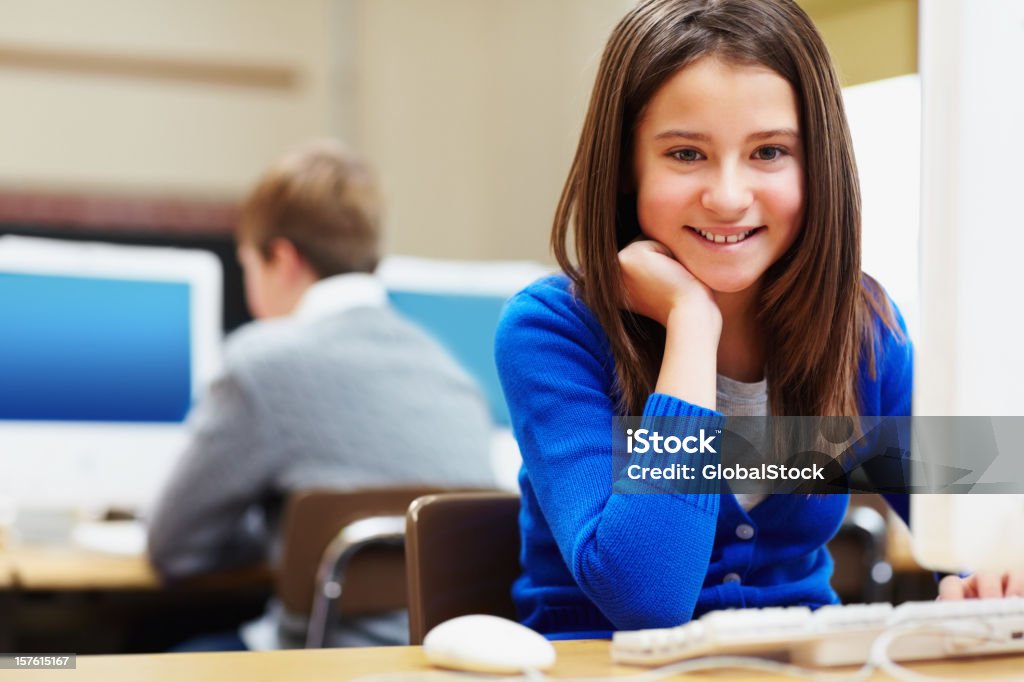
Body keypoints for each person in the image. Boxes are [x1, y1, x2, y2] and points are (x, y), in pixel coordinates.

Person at [494, 0, 1022, 640]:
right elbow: (646, 597)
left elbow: (980, 522)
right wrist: (691, 323)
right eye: (686, 154)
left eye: (769, 151)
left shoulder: (860, 329)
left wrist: (990, 575)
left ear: (817, 166)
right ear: (629, 166)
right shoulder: (553, 330)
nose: (728, 197)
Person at [147, 140, 496, 649]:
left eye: (248, 267)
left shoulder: (262, 363)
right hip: (439, 661)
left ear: (283, 259)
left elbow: (174, 546)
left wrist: (281, 539)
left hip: (315, 661)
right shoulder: (454, 375)